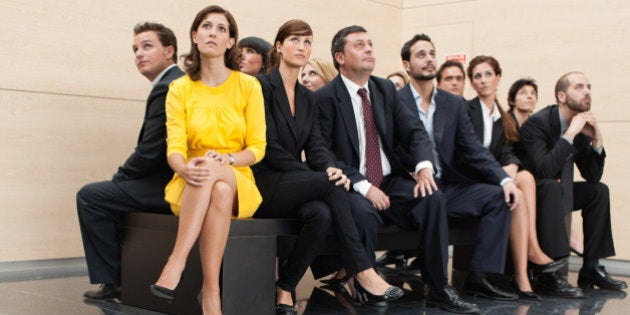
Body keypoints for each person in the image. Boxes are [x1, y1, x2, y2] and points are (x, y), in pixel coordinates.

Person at [317, 26, 479, 314]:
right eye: (359, 45)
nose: (369, 49)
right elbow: (323, 153)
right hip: (351, 183)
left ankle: (439, 287)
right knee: (363, 213)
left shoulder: (385, 89)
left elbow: (414, 132)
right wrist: (364, 187)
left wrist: (424, 166)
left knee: (432, 197)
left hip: (390, 181)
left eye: (370, 43)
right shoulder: (326, 97)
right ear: (340, 57)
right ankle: (365, 287)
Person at [253, 20, 402, 314]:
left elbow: (318, 146)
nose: (302, 47)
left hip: (295, 183)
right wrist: (319, 176)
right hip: (264, 180)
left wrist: (329, 167)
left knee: (320, 214)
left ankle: (285, 288)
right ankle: (362, 270)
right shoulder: (260, 86)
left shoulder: (308, 97)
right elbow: (267, 146)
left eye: (308, 42)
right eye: (295, 40)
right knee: (331, 184)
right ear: (280, 47)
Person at [148, 6, 267, 314]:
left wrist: (226, 158)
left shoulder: (248, 86)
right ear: (195, 36)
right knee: (218, 189)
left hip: (237, 174)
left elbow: (257, 148)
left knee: (221, 178)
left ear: (231, 42)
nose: (213, 32)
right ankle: (211, 291)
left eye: (221, 28)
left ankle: (176, 261)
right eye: (206, 26)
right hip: (191, 180)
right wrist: (183, 167)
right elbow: (174, 147)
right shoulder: (180, 88)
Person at [397, 34, 522, 302]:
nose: (429, 59)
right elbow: (388, 147)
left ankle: (478, 277)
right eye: (421, 54)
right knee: (435, 198)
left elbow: (474, 149)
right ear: (407, 65)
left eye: (432, 53)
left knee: (499, 196)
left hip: (447, 185)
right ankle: (439, 284)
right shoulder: (395, 100)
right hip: (411, 186)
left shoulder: (452, 103)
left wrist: (504, 180)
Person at [77, 22, 184, 301]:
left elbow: (151, 150)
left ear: (170, 51)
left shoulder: (169, 86)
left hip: (169, 182)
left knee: (91, 196)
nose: (139, 53)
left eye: (147, 46)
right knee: (106, 192)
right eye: (135, 48)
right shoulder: (173, 82)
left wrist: (122, 176)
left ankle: (115, 280)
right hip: (167, 177)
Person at [519, 71, 627, 297]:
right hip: (532, 193)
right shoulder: (537, 124)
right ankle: (551, 274)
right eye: (579, 87)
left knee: (598, 191)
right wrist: (570, 134)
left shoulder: (579, 126)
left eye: (588, 86)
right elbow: (544, 171)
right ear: (561, 96)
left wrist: (597, 140)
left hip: (559, 191)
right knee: (551, 185)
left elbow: (592, 176)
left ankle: (591, 268)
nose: (587, 91)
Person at [465, 56, 557, 300]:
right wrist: (500, 174)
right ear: (472, 83)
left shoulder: (503, 118)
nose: (483, 80)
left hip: (496, 175)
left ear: (498, 78)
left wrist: (512, 166)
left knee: (525, 178)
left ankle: (530, 254)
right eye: (477, 76)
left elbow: (507, 150)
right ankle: (524, 271)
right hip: (474, 177)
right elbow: (469, 152)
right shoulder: (466, 109)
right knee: (513, 188)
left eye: (488, 74)